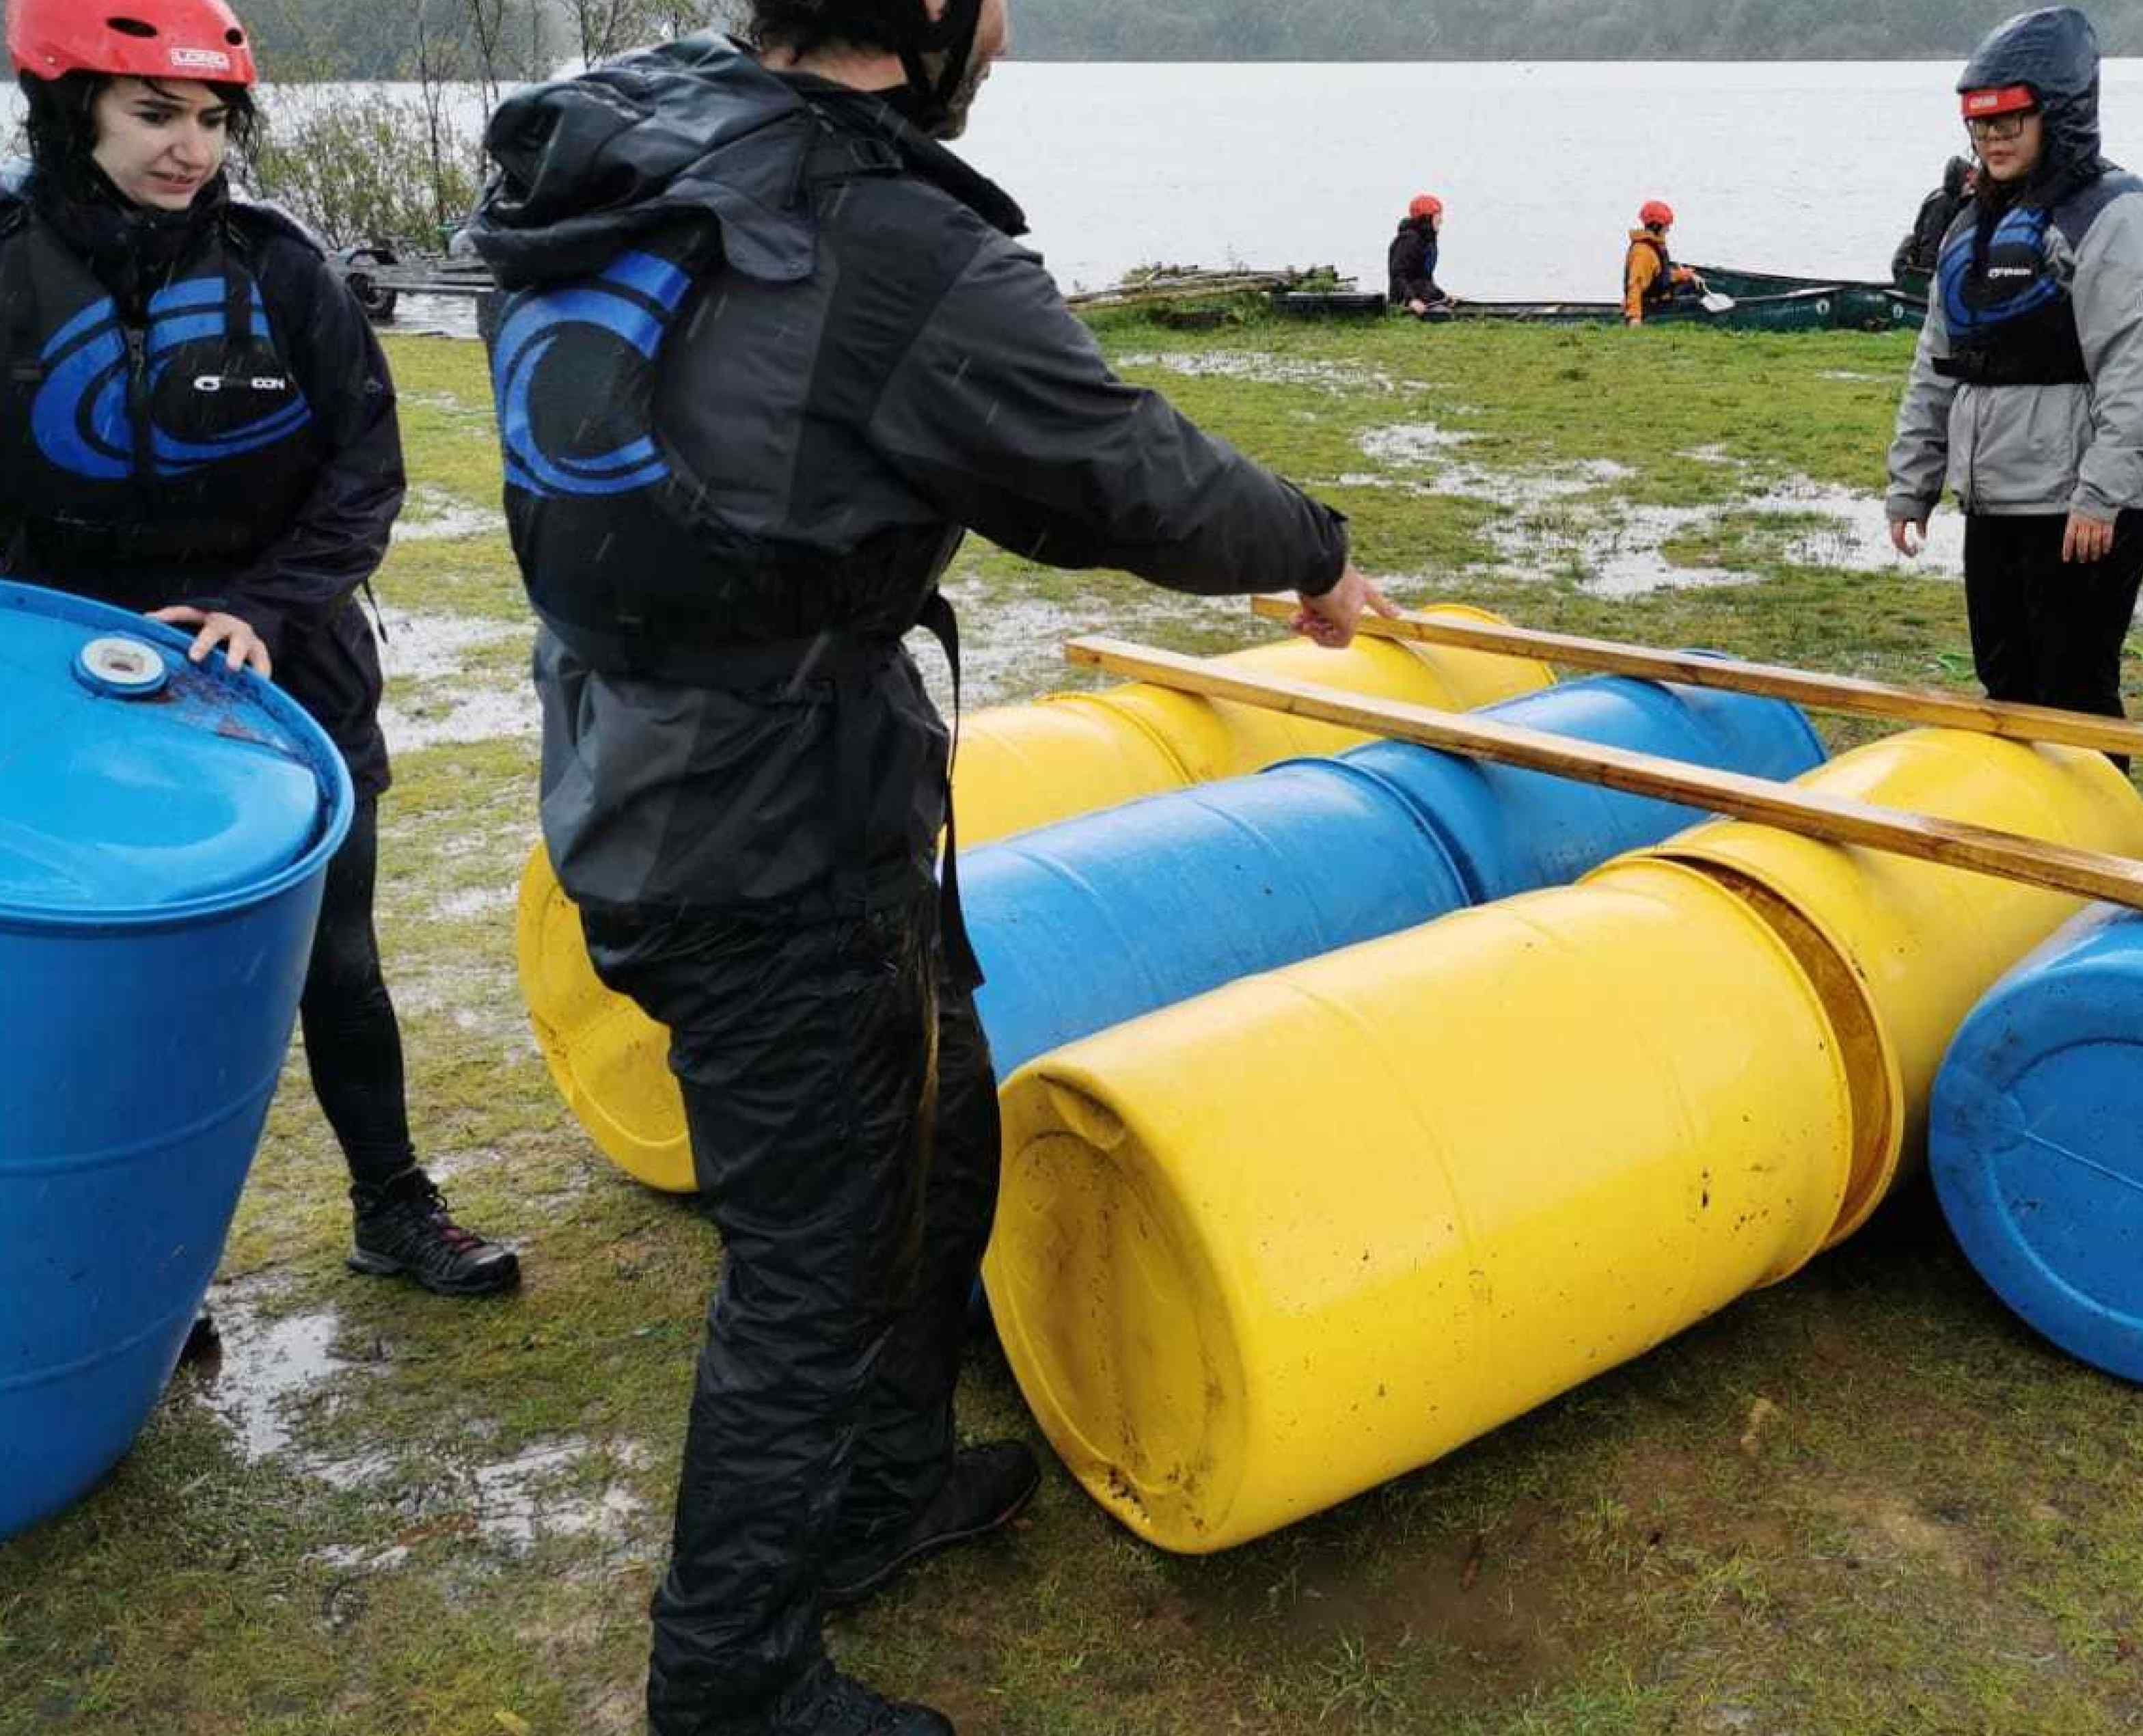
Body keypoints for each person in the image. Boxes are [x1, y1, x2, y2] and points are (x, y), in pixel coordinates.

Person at [467, 1, 1394, 1731]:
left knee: (938, 1124)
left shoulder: (645, 147)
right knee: (812, 1253)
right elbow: (1115, 467)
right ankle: (727, 1675)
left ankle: (881, 1484)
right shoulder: (881, 236)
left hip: (687, 766)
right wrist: (1313, 555)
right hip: (754, 827)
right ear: (928, 18)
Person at [1, 0, 519, 1299]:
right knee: (113, 994)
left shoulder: (277, 262)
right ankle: (131, 1281)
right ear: (73, 111)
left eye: (213, 120)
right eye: (154, 114)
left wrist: (269, 605)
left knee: (335, 959)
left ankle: (393, 1206)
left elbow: (365, 468)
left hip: (284, 671)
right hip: (71, 690)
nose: (190, 149)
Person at [1885, 5, 2143, 731]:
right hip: (1996, 500)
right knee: (2006, 689)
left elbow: (2136, 370)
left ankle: (2098, 835)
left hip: (2085, 506)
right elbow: (1937, 364)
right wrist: (1911, 485)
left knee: (2073, 695)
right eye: (1980, 125)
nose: (1992, 138)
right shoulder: (1967, 227)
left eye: (2010, 121)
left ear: (2059, 115)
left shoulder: (2117, 216)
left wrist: (2099, 494)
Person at [1893, 154, 1975, 285]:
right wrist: (1928, 276)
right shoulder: (1941, 204)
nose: (1972, 185)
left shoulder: (1962, 201)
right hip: (1915, 267)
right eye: (1969, 180)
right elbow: (1931, 243)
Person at [1623, 199, 1700, 325]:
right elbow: (1635, 285)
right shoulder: (1643, 253)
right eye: (1667, 226)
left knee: (1690, 282)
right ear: (1656, 226)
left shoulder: (1654, 246)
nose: (1668, 230)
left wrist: (1685, 275)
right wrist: (1634, 316)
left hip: (1659, 295)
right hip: (1651, 303)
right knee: (1692, 291)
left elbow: (1660, 276)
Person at [1387, 191, 1451, 315]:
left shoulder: (1427, 241)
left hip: (1423, 298)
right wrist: (1411, 300)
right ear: (1427, 218)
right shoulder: (1409, 240)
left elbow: (1424, 278)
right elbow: (1399, 275)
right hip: (1406, 301)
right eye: (1438, 216)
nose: (1441, 221)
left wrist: (1442, 296)